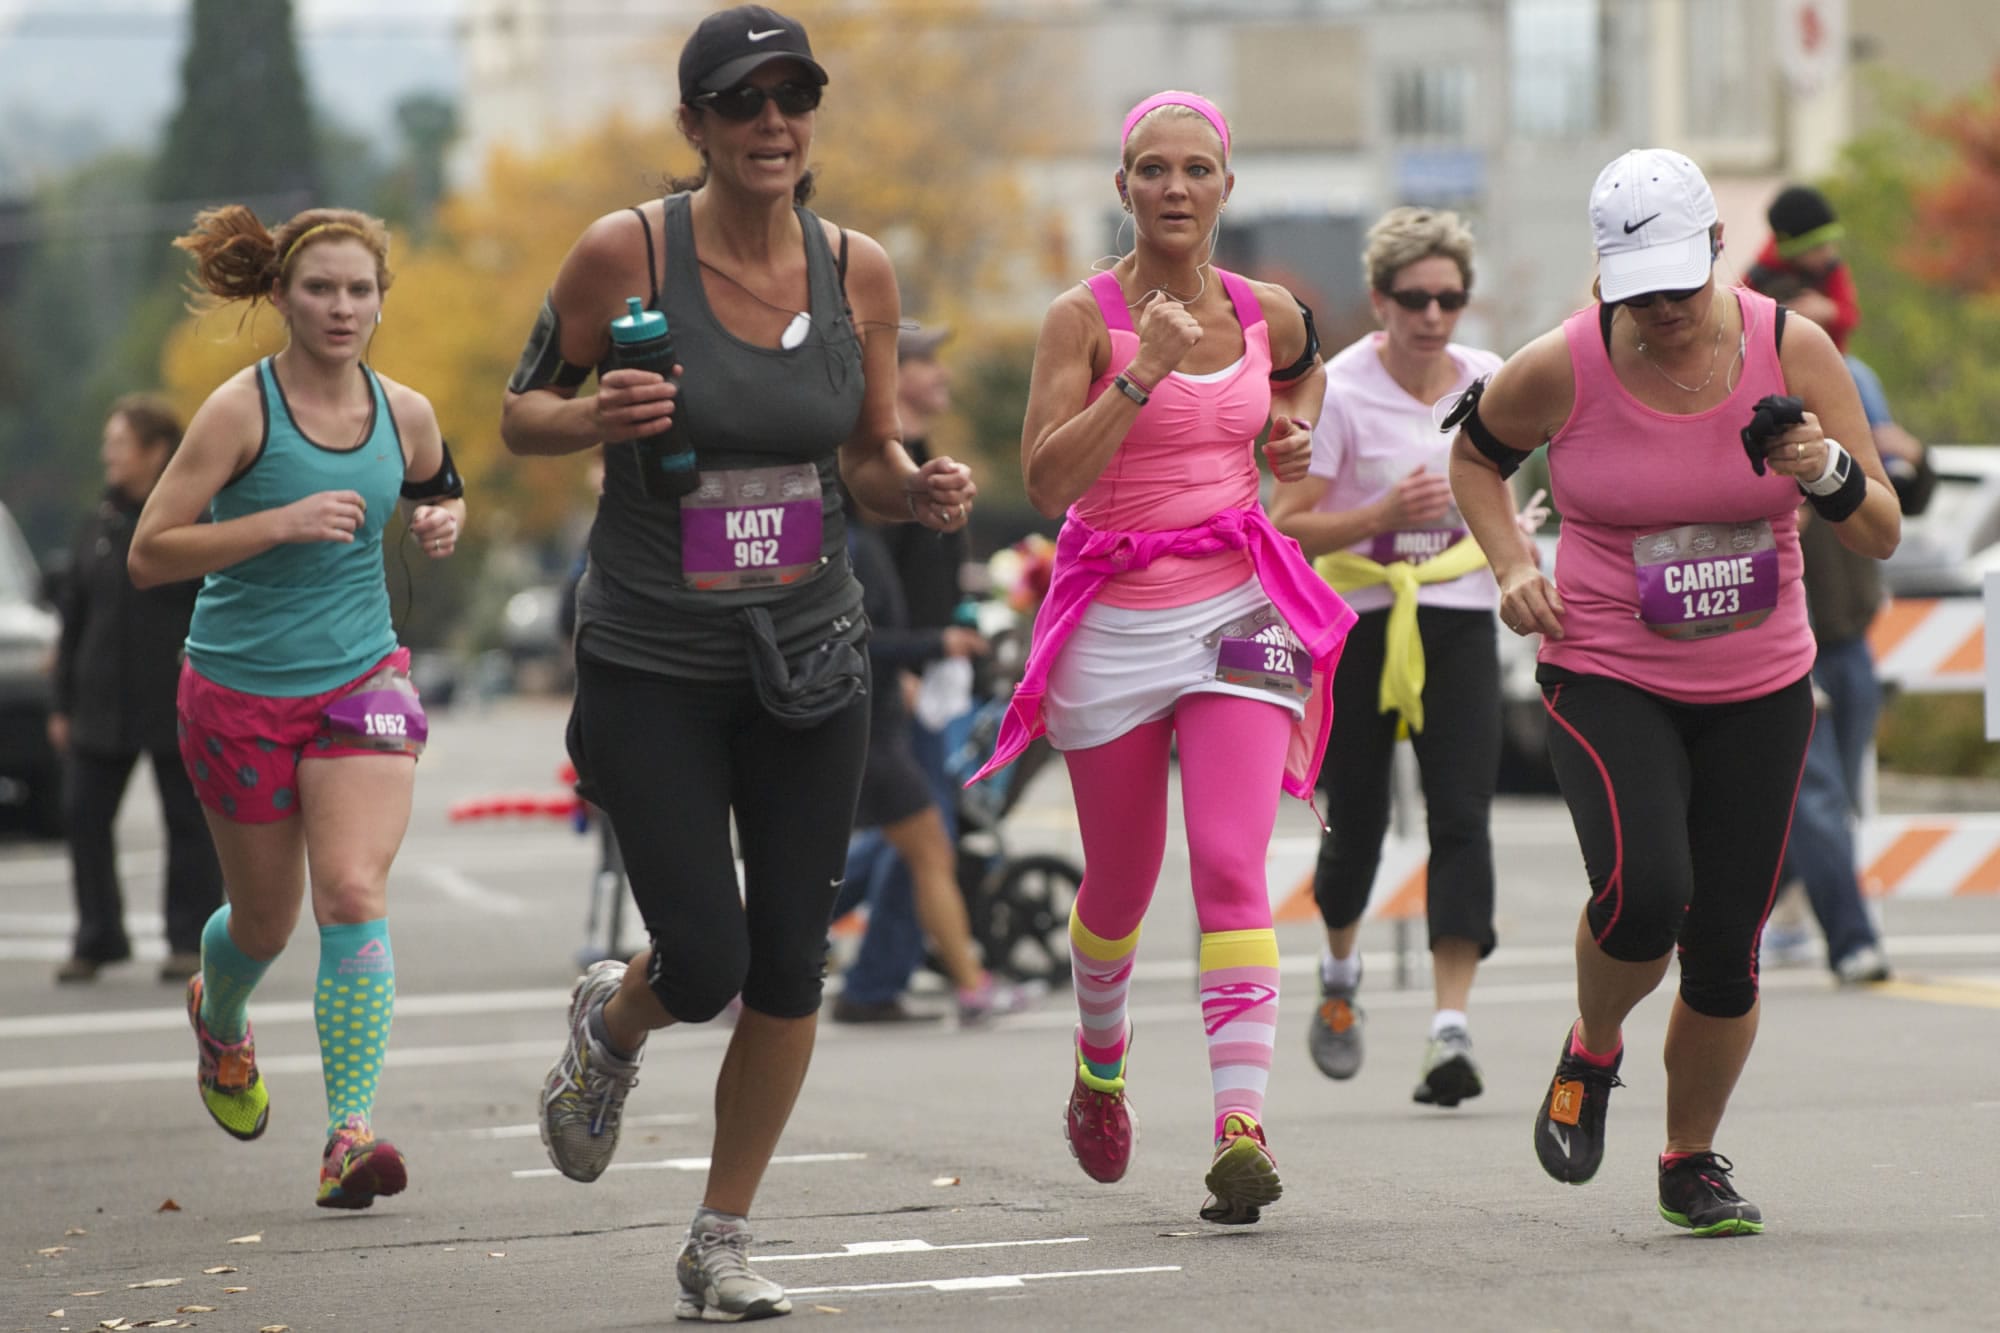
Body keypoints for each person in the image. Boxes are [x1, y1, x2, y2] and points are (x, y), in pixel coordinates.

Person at [498, 6, 974, 1321]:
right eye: (743, 102)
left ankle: (722, 1238)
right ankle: (614, 1023)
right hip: (655, 654)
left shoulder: (856, 269)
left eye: (792, 99)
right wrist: (593, 412)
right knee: (701, 958)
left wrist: (920, 488)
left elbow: (869, 458)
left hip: (812, 655)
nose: (772, 124)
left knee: (788, 961)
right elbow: (519, 410)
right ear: (694, 126)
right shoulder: (624, 252)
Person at [1447, 148, 1899, 1236]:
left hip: (1759, 681)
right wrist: (1512, 564)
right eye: (1632, 292)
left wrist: (1817, 466)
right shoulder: (1560, 364)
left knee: (1726, 950)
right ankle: (1590, 1050)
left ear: (1713, 253)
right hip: (1606, 667)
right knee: (1646, 891)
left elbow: (1876, 525)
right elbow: (1475, 459)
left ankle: (1687, 1159)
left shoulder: (1791, 346)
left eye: (1675, 287)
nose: (1658, 313)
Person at [971, 89, 1355, 1227]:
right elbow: (1044, 484)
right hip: (1114, 612)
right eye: (1152, 170)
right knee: (1120, 884)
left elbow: (1303, 383)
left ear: (1227, 187)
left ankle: (1240, 1126)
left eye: (1196, 169)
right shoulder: (1078, 318)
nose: (1175, 188)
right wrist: (1139, 377)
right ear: (1123, 186)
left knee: (1232, 862)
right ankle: (1100, 1064)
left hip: (1237, 602)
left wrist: (1287, 437)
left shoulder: (1265, 310)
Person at [129, 204, 465, 1211]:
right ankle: (219, 1008)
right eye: (319, 287)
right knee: (267, 924)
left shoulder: (403, 410)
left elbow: (434, 490)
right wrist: (277, 521)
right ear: (280, 295)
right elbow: (151, 552)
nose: (341, 306)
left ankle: (348, 1134)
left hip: (361, 677)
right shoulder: (239, 411)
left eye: (359, 289)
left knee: (353, 892)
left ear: (379, 301)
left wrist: (444, 519)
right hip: (234, 689)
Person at [1269, 206, 1526, 1107]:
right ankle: (1341, 974)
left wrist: (1516, 538)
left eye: (1450, 297)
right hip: (1361, 621)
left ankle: (1450, 1026)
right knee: (1361, 821)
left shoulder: (1493, 380)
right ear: (1380, 300)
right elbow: (1286, 523)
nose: (1432, 315)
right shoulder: (1338, 389)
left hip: (1456, 616)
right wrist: (1381, 517)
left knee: (1463, 817)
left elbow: (1506, 489)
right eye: (1414, 297)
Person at [832, 487, 1042, 1024]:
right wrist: (933, 644)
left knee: (852, 863)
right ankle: (971, 988)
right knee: (930, 853)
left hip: (873, 725)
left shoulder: (853, 544)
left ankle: (744, 962)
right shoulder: (851, 548)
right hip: (871, 728)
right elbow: (856, 640)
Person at [49, 396, 224, 985]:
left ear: (155, 452)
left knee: (189, 822)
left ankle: (188, 940)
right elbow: (73, 613)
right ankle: (98, 936)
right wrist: (62, 701)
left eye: (119, 444)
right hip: (100, 700)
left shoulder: (194, 518)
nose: (109, 455)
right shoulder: (99, 520)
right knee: (82, 815)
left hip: (176, 696)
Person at [1745, 184, 1857, 352]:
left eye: (1829, 244)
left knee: (1863, 378)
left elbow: (1851, 317)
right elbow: (1737, 318)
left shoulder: (1831, 270)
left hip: (1832, 358)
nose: (1828, 254)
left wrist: (1828, 311)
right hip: (1778, 361)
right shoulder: (1761, 277)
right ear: (1795, 250)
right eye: (1818, 247)